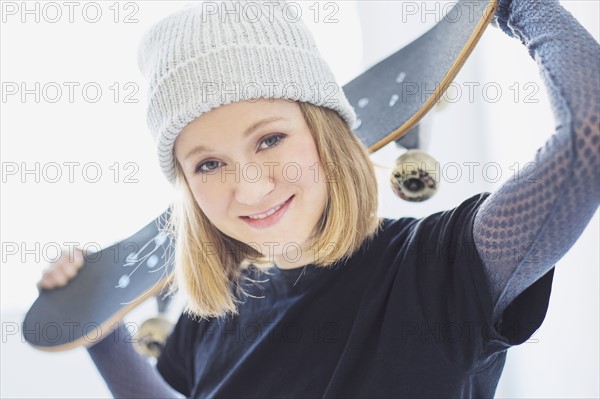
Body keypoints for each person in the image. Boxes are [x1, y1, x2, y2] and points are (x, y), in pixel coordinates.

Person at [38, 0, 599, 397]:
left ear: (325, 134)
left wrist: (515, 5)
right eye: (208, 164)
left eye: (270, 138)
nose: (251, 186)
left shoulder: (446, 266)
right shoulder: (211, 318)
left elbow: (588, 141)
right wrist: (99, 330)